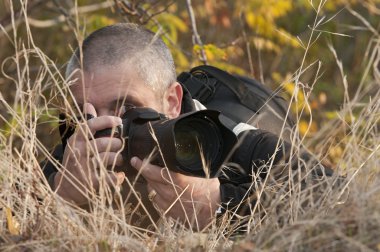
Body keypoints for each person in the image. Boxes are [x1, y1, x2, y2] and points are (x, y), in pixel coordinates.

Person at [42, 23, 333, 231]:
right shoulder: (82, 146)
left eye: (128, 107)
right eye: (87, 112)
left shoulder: (236, 138)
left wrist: (220, 206)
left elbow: (340, 203)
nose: (109, 127)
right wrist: (61, 194)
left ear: (172, 102)